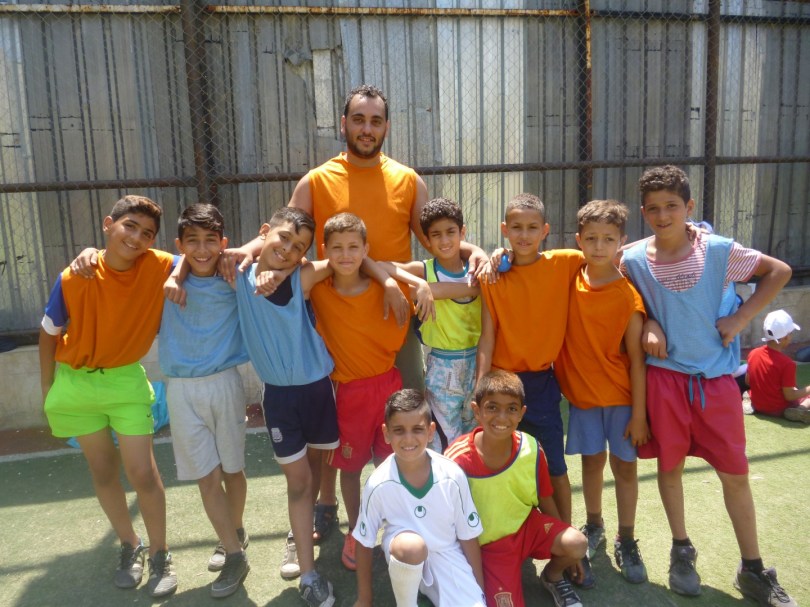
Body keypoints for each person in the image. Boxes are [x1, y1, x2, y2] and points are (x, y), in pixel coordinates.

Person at [621, 165, 796, 605]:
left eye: (672, 206)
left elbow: (779, 271)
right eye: (654, 209)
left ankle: (753, 569)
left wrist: (741, 317)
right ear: (643, 212)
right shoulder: (632, 259)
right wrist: (650, 322)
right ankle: (682, 552)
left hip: (716, 384)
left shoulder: (720, 250)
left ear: (690, 207)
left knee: (735, 474)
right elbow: (623, 297)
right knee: (670, 469)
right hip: (664, 382)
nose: (663, 216)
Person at [39, 195, 178, 597]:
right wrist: (48, 389)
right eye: (129, 226)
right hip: (75, 385)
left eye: (147, 233)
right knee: (102, 471)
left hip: (124, 383)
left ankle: (161, 554)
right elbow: (48, 333)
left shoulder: (158, 265)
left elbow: (196, 257)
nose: (136, 238)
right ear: (108, 224)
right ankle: (130, 544)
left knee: (143, 473)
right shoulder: (73, 275)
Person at [233, 206, 339, 606]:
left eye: (299, 247)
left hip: (318, 390)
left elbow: (345, 258)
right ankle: (308, 571)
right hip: (279, 396)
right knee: (299, 481)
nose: (288, 249)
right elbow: (193, 256)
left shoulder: (301, 276)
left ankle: (307, 529)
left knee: (316, 467)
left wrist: (289, 269)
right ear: (265, 232)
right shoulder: (236, 273)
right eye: (283, 238)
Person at [307, 213, 411, 573]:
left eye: (354, 247)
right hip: (348, 393)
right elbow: (296, 274)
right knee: (349, 468)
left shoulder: (388, 290)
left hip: (388, 387)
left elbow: (433, 279)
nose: (346, 254)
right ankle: (357, 531)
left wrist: (393, 281)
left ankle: (396, 527)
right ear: (324, 250)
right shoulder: (319, 289)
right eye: (337, 248)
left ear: (366, 249)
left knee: (390, 464)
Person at [554, 200, 649, 588]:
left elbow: (637, 360)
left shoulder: (628, 296)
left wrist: (639, 415)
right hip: (583, 399)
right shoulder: (569, 280)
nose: (598, 246)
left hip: (623, 399)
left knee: (624, 468)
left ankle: (627, 538)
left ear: (621, 242)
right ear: (579, 240)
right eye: (591, 238)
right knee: (591, 464)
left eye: (608, 239)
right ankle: (594, 524)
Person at [158, 203, 250, 598]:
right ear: (179, 245)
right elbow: (123, 253)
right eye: (191, 241)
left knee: (232, 470)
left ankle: (235, 531)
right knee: (206, 476)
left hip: (224, 384)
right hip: (180, 389)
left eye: (210, 241)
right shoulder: (164, 273)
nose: (201, 249)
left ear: (223, 243)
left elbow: (268, 248)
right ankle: (234, 554)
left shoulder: (235, 276)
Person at [476, 193, 583, 525]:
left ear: (545, 230)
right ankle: (509, 532)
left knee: (555, 468)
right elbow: (487, 334)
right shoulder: (491, 276)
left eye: (532, 227)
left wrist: (692, 230)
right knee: (501, 463)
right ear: (504, 229)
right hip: (501, 383)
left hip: (541, 384)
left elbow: (611, 249)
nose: (524, 235)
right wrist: (480, 387)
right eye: (517, 227)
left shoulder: (565, 262)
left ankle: (566, 536)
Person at [446, 370, 587, 607]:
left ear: (522, 413)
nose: (502, 417)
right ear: (476, 411)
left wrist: (565, 541)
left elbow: (545, 497)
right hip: (490, 547)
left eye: (511, 408)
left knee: (577, 544)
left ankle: (552, 577)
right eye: (492, 407)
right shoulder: (456, 460)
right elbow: (446, 520)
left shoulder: (530, 448)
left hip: (526, 527)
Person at [353, 389, 486, 607]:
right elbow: (364, 541)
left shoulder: (452, 475)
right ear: (386, 433)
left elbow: (468, 536)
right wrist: (364, 600)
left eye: (417, 429)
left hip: (446, 555)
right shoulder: (378, 483)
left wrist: (479, 591)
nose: (408, 439)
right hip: (405, 554)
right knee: (411, 547)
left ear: (431, 431)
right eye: (399, 430)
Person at [380, 197, 481, 451]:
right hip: (442, 366)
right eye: (436, 235)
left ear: (462, 233)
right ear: (426, 239)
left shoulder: (477, 269)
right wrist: (421, 285)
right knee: (445, 440)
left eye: (451, 232)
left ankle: (469, 478)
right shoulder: (424, 271)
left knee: (474, 434)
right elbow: (382, 266)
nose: (444, 240)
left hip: (478, 362)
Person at [746, 309, 810, 422]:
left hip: (758, 404)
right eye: (791, 333)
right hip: (779, 409)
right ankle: (800, 409)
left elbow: (748, 381)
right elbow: (789, 396)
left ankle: (748, 401)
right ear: (786, 337)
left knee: (750, 392)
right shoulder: (787, 364)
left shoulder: (753, 353)